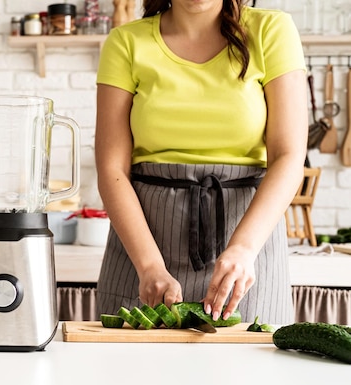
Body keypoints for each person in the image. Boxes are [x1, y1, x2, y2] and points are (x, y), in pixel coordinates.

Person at [94, 0, 307, 325]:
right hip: (144, 247)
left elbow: (288, 156)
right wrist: (149, 266)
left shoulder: (271, 31)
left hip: (248, 244)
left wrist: (243, 250)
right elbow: (112, 169)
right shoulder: (126, 42)